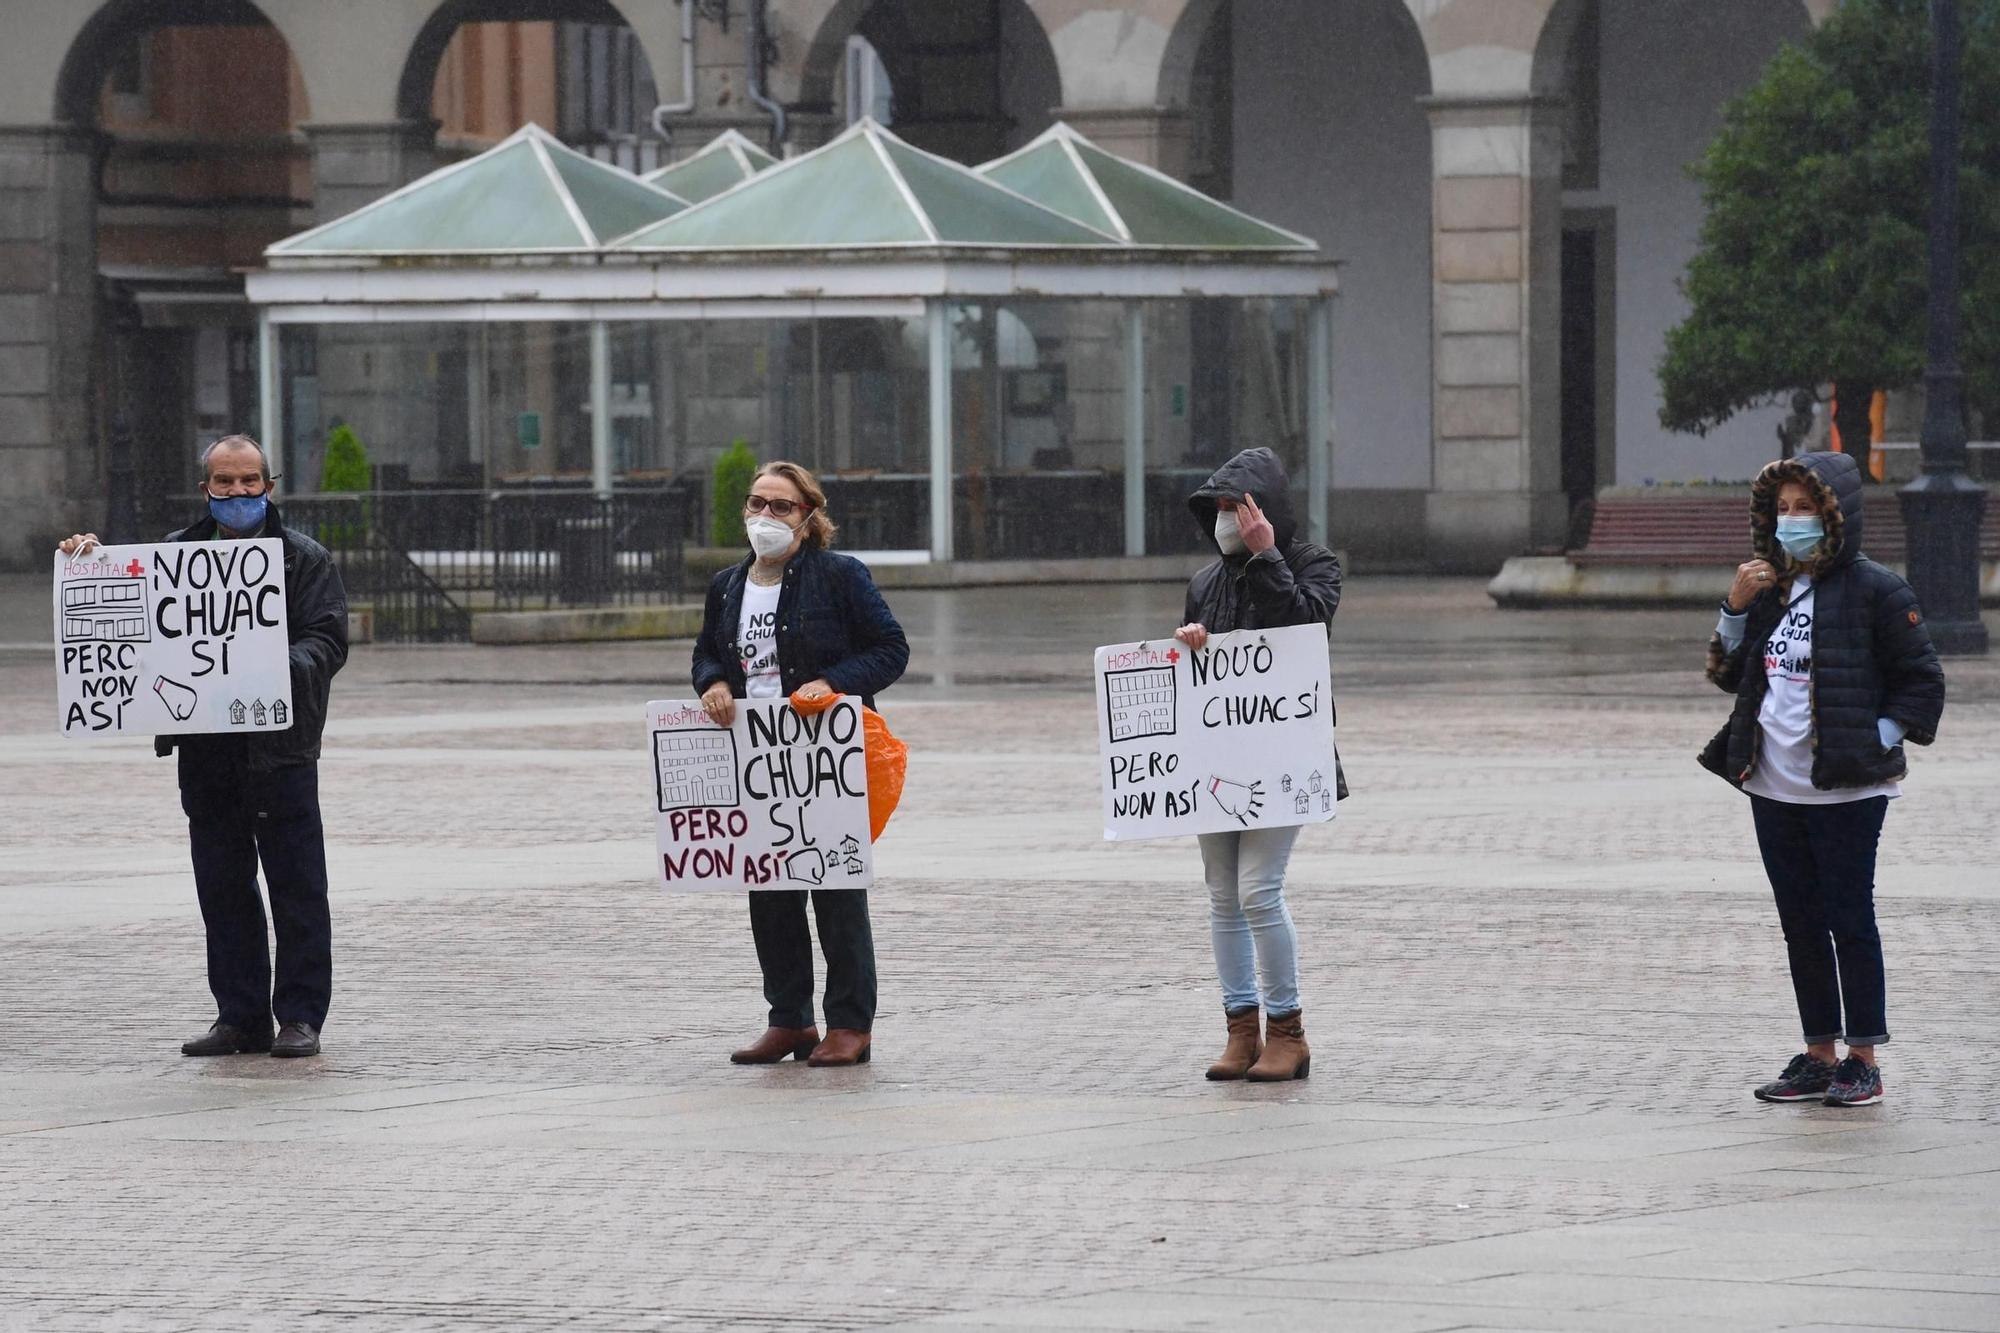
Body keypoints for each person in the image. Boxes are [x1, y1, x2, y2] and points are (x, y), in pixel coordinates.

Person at [60, 435, 349, 1058]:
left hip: (281, 752)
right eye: (226, 482)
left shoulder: (304, 560)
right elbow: (128, 614)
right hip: (208, 752)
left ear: (270, 486)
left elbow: (327, 642)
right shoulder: (175, 555)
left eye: (250, 482)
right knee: (222, 887)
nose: (239, 493)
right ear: (206, 490)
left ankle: (300, 1017)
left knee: (297, 887)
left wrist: (266, 666)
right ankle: (239, 1017)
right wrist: (86, 561)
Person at [1700, 451, 1944, 1108]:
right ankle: (1818, 1052)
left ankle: (1863, 1057)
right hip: (1773, 785)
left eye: (1804, 508)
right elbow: (1728, 673)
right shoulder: (1772, 590)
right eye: (1781, 509)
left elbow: (1923, 683)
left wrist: (1877, 739)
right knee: (1800, 922)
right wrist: (1734, 606)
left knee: (1848, 917)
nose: (1791, 521)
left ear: (1834, 515)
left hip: (1847, 787)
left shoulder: (1876, 590)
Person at [691, 460, 909, 1068]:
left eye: (781, 507)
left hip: (825, 760)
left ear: (809, 518)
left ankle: (849, 1025)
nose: (765, 517)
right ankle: (789, 1020)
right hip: (758, 760)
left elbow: (891, 650)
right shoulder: (728, 585)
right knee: (770, 892)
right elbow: (707, 651)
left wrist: (832, 683)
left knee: (837, 890)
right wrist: (710, 683)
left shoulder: (840, 577)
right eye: (757, 503)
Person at [1172, 447, 1343, 1082]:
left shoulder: (1313, 564)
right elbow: (1190, 679)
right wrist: (1189, 644)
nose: (1226, 522)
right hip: (1218, 763)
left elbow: (1305, 625)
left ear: (1263, 510)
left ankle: (1287, 1030)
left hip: (1284, 760)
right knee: (1222, 896)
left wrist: (1268, 556)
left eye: (1235, 508)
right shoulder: (1205, 581)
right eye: (1217, 510)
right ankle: (1240, 1029)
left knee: (1258, 891)